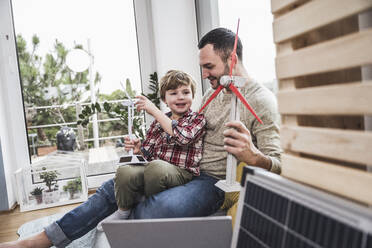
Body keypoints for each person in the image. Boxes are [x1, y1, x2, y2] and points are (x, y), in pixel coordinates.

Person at [0, 27, 281, 248]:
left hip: (213, 181)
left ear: (231, 59)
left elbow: (278, 163)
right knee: (114, 185)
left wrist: (253, 156)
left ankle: (115, 224)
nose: (204, 74)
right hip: (185, 170)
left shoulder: (261, 101)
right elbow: (187, 132)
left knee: (163, 207)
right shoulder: (215, 91)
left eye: (209, 67)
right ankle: (43, 239)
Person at [102, 69, 206, 227]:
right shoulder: (158, 122)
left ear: (192, 95)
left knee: (156, 167)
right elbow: (148, 154)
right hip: (154, 168)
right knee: (125, 170)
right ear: (165, 99)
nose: (180, 97)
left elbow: (184, 138)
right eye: (173, 93)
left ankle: (149, 208)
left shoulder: (197, 119)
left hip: (182, 173)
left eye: (186, 92)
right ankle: (124, 212)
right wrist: (138, 149)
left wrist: (154, 111)